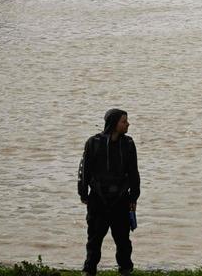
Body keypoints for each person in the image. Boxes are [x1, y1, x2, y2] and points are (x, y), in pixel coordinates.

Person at [78, 108, 140, 276]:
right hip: (98, 199)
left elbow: (134, 172)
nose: (128, 124)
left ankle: (126, 270)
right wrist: (83, 193)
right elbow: (84, 170)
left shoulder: (128, 144)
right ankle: (89, 271)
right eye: (124, 121)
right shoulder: (93, 142)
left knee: (123, 241)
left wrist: (134, 197)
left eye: (127, 121)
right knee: (94, 240)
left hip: (121, 199)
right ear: (113, 124)